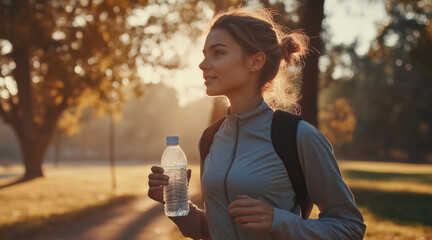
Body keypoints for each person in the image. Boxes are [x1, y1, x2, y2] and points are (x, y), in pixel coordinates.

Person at [148, 7, 366, 240]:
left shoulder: (298, 136)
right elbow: (210, 230)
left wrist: (278, 220)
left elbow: (350, 228)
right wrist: (175, 203)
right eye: (204, 54)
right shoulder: (210, 139)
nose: (203, 64)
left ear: (255, 61)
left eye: (218, 53)